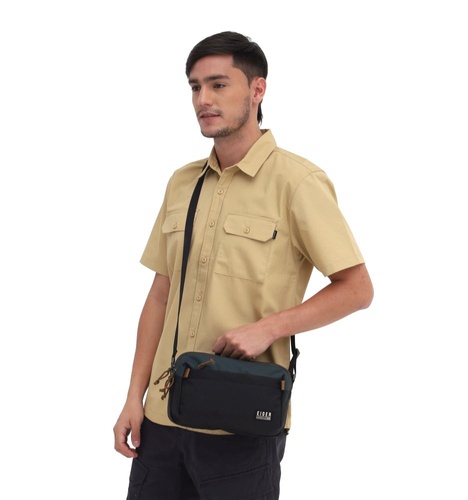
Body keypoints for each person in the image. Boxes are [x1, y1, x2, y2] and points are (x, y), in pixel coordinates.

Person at [113, 31, 374, 499]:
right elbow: (160, 295)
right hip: (162, 422)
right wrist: (135, 397)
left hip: (241, 425)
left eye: (218, 84)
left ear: (257, 90)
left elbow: (357, 289)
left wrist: (269, 328)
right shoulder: (182, 183)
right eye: (195, 87)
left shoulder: (298, 182)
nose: (203, 100)